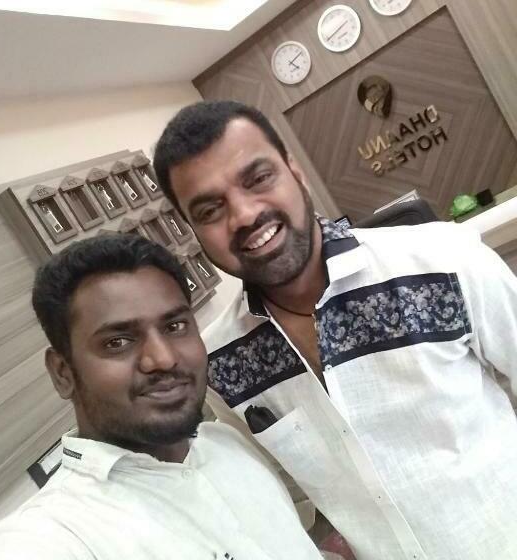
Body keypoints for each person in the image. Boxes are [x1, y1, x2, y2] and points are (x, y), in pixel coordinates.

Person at [153, 100, 517, 560]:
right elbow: (282, 498)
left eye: (258, 178)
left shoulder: (443, 258)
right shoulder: (222, 362)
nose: (243, 215)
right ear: (194, 231)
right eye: (209, 209)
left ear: (295, 172)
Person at [0, 234, 329, 560]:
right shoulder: (48, 537)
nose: (162, 358)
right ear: (63, 373)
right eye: (117, 342)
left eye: (175, 326)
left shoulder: (226, 443)